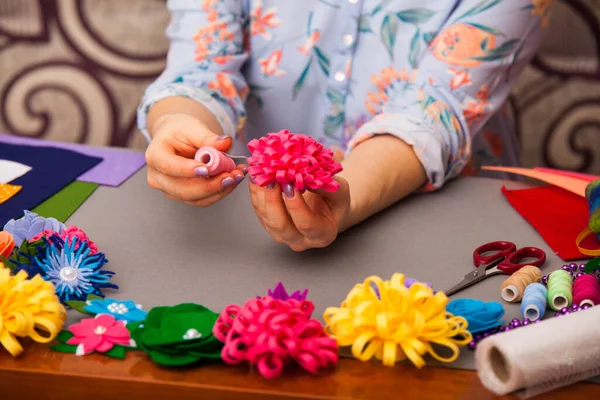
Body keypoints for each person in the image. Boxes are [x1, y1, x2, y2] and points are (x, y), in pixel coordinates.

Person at [138, 0, 554, 251]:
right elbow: (200, 66)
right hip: (246, 225)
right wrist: (179, 121)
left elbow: (433, 112)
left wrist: (343, 198)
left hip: (447, 222)